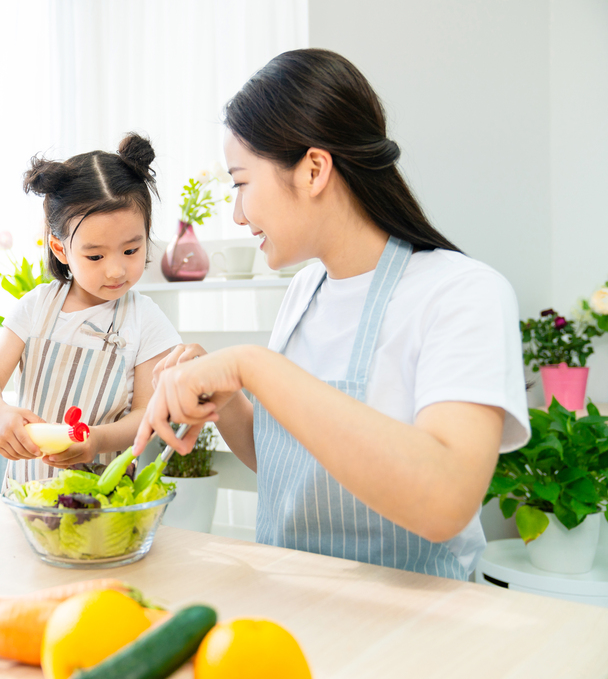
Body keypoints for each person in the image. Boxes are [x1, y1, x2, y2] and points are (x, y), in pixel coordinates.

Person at [133, 49, 529, 580]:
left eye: (241, 183)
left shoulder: (462, 294)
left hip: (415, 638)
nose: (237, 213)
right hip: (292, 613)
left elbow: (446, 501)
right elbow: (290, 472)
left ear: (315, 169)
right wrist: (224, 403)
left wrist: (253, 367)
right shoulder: (305, 290)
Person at [0, 133, 181, 489]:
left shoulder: (146, 320)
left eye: (131, 250)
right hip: (26, 496)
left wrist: (97, 440)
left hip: (104, 507)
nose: (116, 270)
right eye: (96, 256)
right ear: (60, 248)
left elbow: (147, 414)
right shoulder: (37, 308)